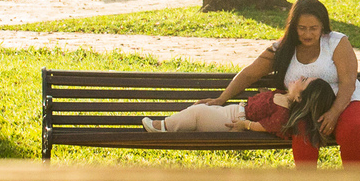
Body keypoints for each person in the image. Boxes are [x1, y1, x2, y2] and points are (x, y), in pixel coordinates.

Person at [197, 0, 360, 168]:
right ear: (293, 27)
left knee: (353, 128)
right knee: (301, 129)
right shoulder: (283, 48)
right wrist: (222, 98)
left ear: (323, 26)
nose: (307, 34)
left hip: (347, 103)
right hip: (305, 110)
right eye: (302, 28)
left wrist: (334, 112)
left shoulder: (336, 42)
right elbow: (249, 74)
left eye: (313, 28)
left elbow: (348, 82)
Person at [143, 76, 337, 143]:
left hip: (233, 122)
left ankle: (164, 127)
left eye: (303, 81)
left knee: (198, 113)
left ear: (300, 97)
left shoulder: (283, 112)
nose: (300, 77)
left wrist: (247, 125)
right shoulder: (281, 95)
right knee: (200, 109)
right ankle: (173, 124)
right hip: (233, 110)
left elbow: (269, 126)